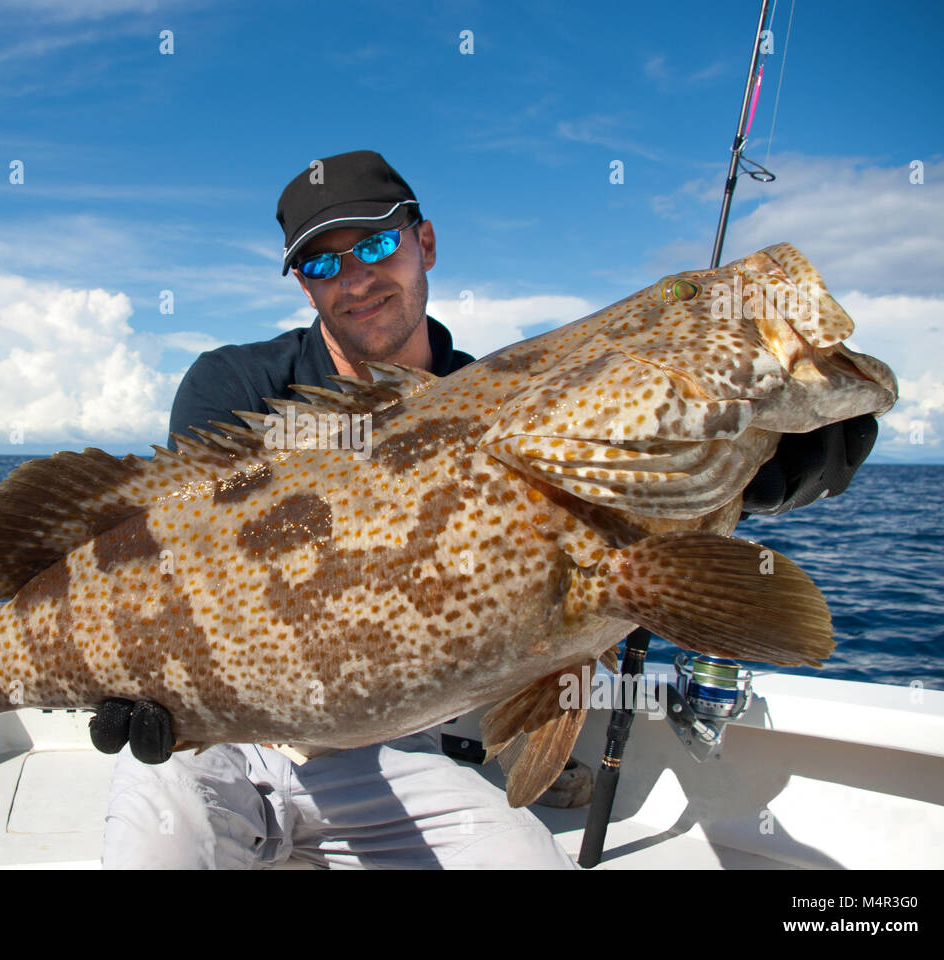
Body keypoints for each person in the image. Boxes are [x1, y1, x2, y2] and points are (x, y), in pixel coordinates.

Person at [94, 150, 878, 869]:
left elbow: (635, 487)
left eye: (375, 246)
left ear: (424, 242)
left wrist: (766, 465)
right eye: (323, 264)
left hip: (392, 749)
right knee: (159, 847)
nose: (356, 278)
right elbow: (176, 561)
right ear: (303, 284)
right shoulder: (234, 387)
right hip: (217, 740)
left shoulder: (509, 391)